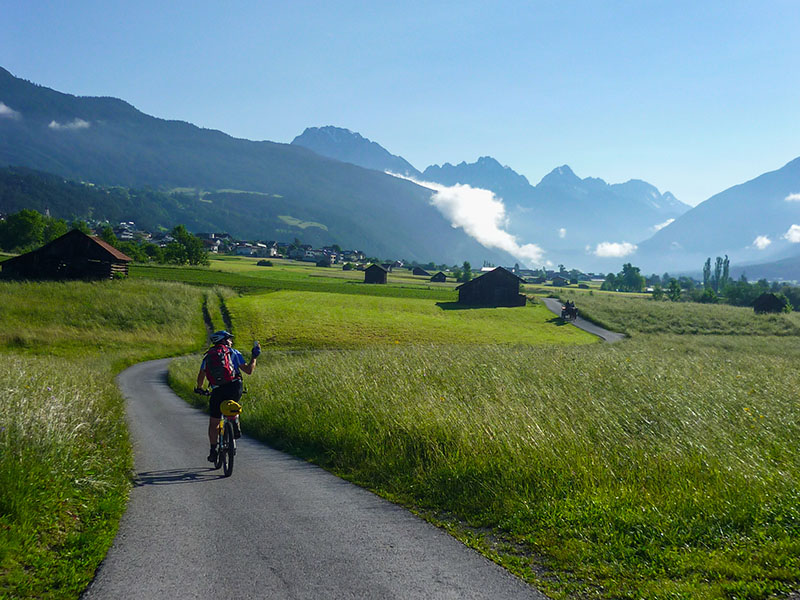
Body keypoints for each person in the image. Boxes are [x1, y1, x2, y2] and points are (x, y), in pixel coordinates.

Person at [194, 330, 260, 462]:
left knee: (214, 423)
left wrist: (200, 388)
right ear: (224, 340)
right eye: (229, 339)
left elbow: (201, 375)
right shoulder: (234, 353)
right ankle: (234, 421)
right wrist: (254, 357)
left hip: (217, 391)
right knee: (232, 404)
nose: (231, 341)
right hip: (234, 387)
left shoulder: (208, 356)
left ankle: (213, 450)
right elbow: (249, 371)